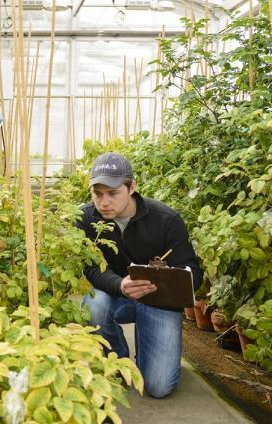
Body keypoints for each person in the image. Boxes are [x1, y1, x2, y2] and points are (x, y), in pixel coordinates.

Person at [76, 152, 203, 398]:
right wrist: (120, 285)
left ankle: (154, 355)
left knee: (158, 387)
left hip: (159, 301)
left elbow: (193, 272)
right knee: (92, 304)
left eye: (113, 193)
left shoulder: (165, 219)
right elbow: (90, 268)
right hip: (117, 296)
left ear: (132, 186)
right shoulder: (85, 219)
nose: (104, 203)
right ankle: (120, 360)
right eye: (98, 194)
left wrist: (166, 279)